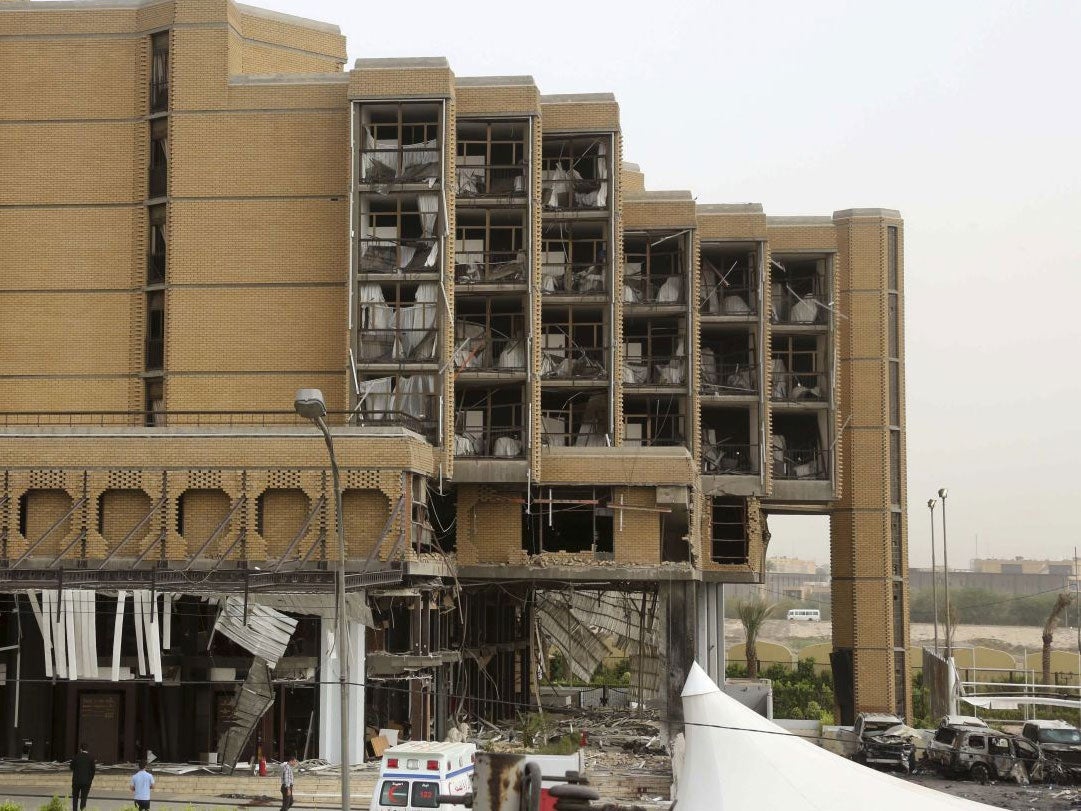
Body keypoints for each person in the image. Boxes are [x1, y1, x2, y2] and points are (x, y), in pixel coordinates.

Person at [69, 742, 95, 811]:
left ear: (81, 749)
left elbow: (71, 767)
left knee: (75, 798)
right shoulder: (91, 758)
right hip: (86, 782)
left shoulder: (76, 756)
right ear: (87, 749)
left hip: (76, 781)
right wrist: (90, 780)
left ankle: (74, 810)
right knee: (84, 798)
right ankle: (82, 810)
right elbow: (93, 771)